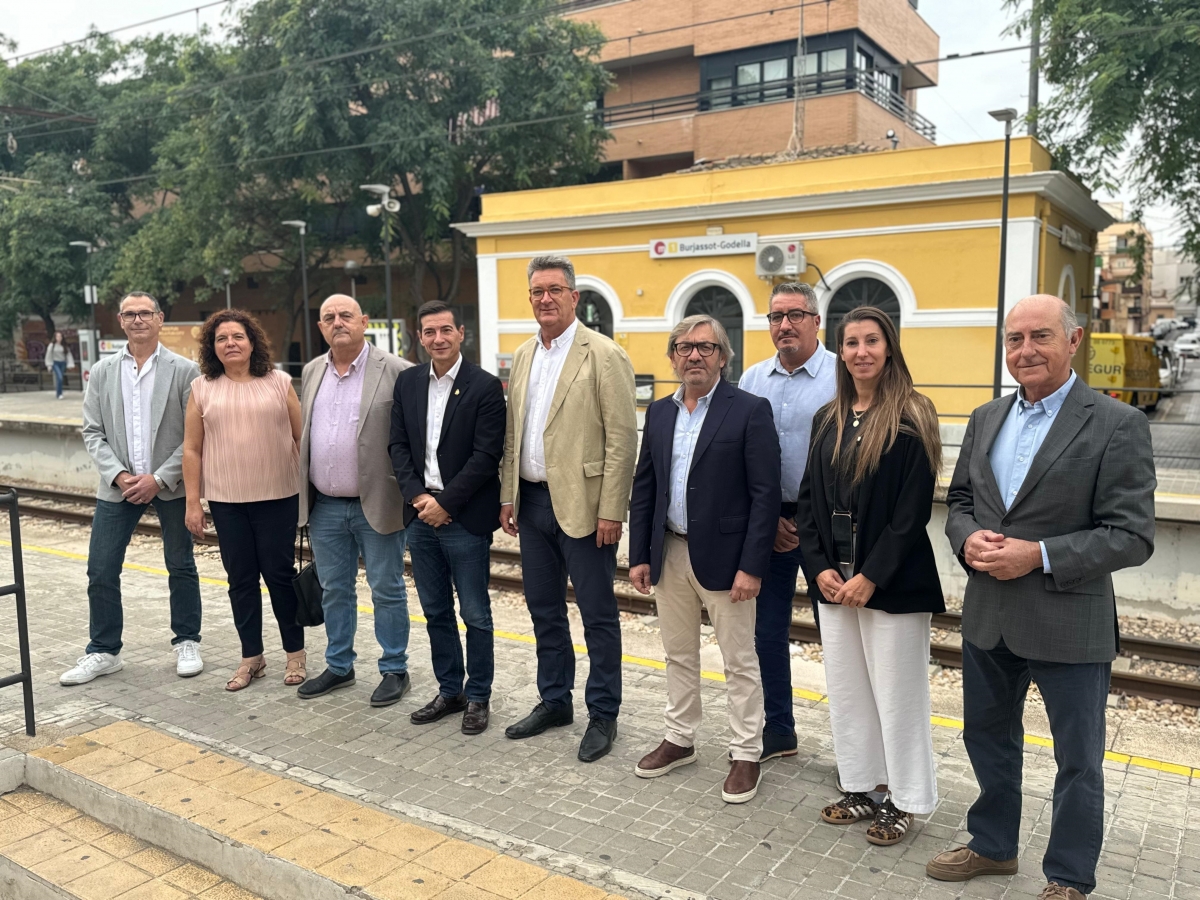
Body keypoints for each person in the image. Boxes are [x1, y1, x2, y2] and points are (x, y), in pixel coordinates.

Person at [926, 295, 1156, 900]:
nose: (1025, 350)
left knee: (1078, 760)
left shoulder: (1116, 423)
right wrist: (968, 537)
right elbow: (961, 503)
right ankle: (994, 847)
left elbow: (1131, 535)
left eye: (1040, 336)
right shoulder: (985, 417)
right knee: (986, 737)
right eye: (1014, 339)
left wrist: (1039, 554)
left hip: (1068, 618)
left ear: (1073, 341)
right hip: (989, 617)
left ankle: (1069, 877)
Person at [795, 305, 944, 846]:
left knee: (897, 696)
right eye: (851, 342)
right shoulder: (827, 418)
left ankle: (905, 801)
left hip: (892, 584)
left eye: (871, 341)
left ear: (889, 348)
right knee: (849, 690)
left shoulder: (912, 415)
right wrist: (820, 571)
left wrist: (871, 576)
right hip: (834, 583)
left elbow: (912, 513)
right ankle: (862, 787)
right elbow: (808, 506)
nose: (861, 351)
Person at [628, 315, 780, 804]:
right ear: (673, 356)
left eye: (706, 347)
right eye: (684, 347)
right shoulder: (659, 413)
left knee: (739, 661)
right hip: (669, 551)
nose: (694, 355)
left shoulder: (750, 410)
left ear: (723, 356)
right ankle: (680, 738)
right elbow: (645, 485)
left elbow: (765, 495)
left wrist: (752, 565)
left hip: (727, 557)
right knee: (678, 653)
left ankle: (746, 753)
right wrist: (639, 555)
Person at [499, 255, 637, 763]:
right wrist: (508, 494)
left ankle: (603, 714)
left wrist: (612, 510)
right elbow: (516, 431)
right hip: (532, 502)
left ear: (575, 297)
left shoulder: (603, 354)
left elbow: (623, 440)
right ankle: (554, 701)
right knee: (544, 611)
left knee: (598, 615)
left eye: (555, 289)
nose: (545, 298)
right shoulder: (523, 354)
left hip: (585, 506)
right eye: (537, 291)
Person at [62, 292, 204, 686]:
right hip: (118, 486)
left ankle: (188, 640)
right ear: (120, 321)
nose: (138, 319)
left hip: (169, 485)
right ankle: (104, 651)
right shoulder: (103, 371)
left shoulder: (184, 371)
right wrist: (120, 475)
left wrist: (158, 477)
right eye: (130, 314)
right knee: (101, 568)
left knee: (181, 565)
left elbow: (195, 435)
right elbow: (92, 431)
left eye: (145, 313)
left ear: (160, 319)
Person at [390, 300, 505, 734]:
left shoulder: (485, 386)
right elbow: (397, 447)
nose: (437, 339)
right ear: (420, 337)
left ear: (460, 333)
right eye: (429, 332)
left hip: (465, 518)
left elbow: (485, 456)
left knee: (475, 613)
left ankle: (478, 697)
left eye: (445, 331)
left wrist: (446, 505)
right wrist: (420, 498)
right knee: (435, 610)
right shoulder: (408, 383)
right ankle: (449, 690)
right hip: (420, 516)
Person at [295, 295, 413, 706]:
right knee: (334, 590)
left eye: (346, 315)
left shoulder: (396, 370)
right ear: (321, 327)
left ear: (364, 321)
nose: (337, 322)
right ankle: (339, 666)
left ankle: (395, 668)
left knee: (387, 588)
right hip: (325, 505)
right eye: (329, 317)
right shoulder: (312, 371)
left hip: (377, 502)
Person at [182, 309, 306, 692]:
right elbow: (192, 449)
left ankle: (295, 654)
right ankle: (251, 657)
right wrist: (192, 502)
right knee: (240, 581)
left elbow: (302, 440)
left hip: (278, 497)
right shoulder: (201, 388)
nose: (230, 343)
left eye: (237, 336)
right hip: (227, 500)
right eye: (221, 339)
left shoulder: (279, 382)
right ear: (212, 348)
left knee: (280, 578)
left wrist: (310, 499)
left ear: (252, 342)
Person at [738, 282, 837, 762]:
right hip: (768, 523)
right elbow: (738, 455)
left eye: (795, 314)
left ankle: (854, 749)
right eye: (776, 316)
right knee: (766, 634)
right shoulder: (753, 379)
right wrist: (769, 517)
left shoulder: (844, 376)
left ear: (817, 321)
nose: (784, 325)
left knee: (839, 637)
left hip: (829, 527)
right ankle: (779, 730)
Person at [44, 331, 75, 400]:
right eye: (57, 336)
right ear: (55, 337)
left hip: (63, 363)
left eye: (60, 336)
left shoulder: (64, 345)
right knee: (60, 377)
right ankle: (59, 394)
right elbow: (49, 355)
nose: (59, 338)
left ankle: (59, 393)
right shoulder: (52, 345)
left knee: (60, 379)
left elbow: (68, 355)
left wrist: (70, 364)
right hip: (55, 363)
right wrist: (49, 365)